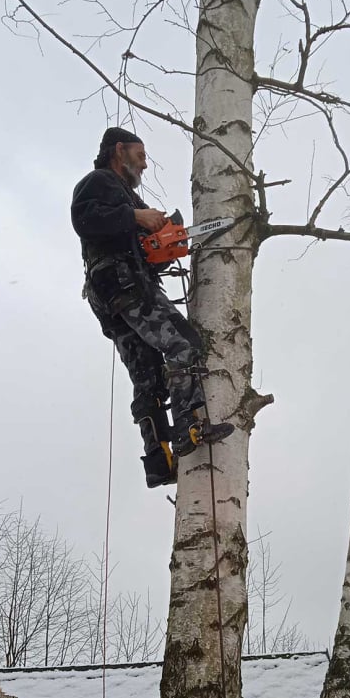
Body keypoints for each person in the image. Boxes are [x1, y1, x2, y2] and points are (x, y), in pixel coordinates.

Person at [71, 127, 234, 488]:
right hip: (123, 283)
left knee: (148, 376)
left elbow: (141, 247)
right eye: (140, 156)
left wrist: (162, 243)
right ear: (119, 151)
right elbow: (84, 220)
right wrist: (135, 218)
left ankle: (158, 460)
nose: (144, 165)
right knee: (183, 343)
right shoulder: (99, 182)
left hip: (113, 292)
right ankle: (189, 426)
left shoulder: (128, 196)